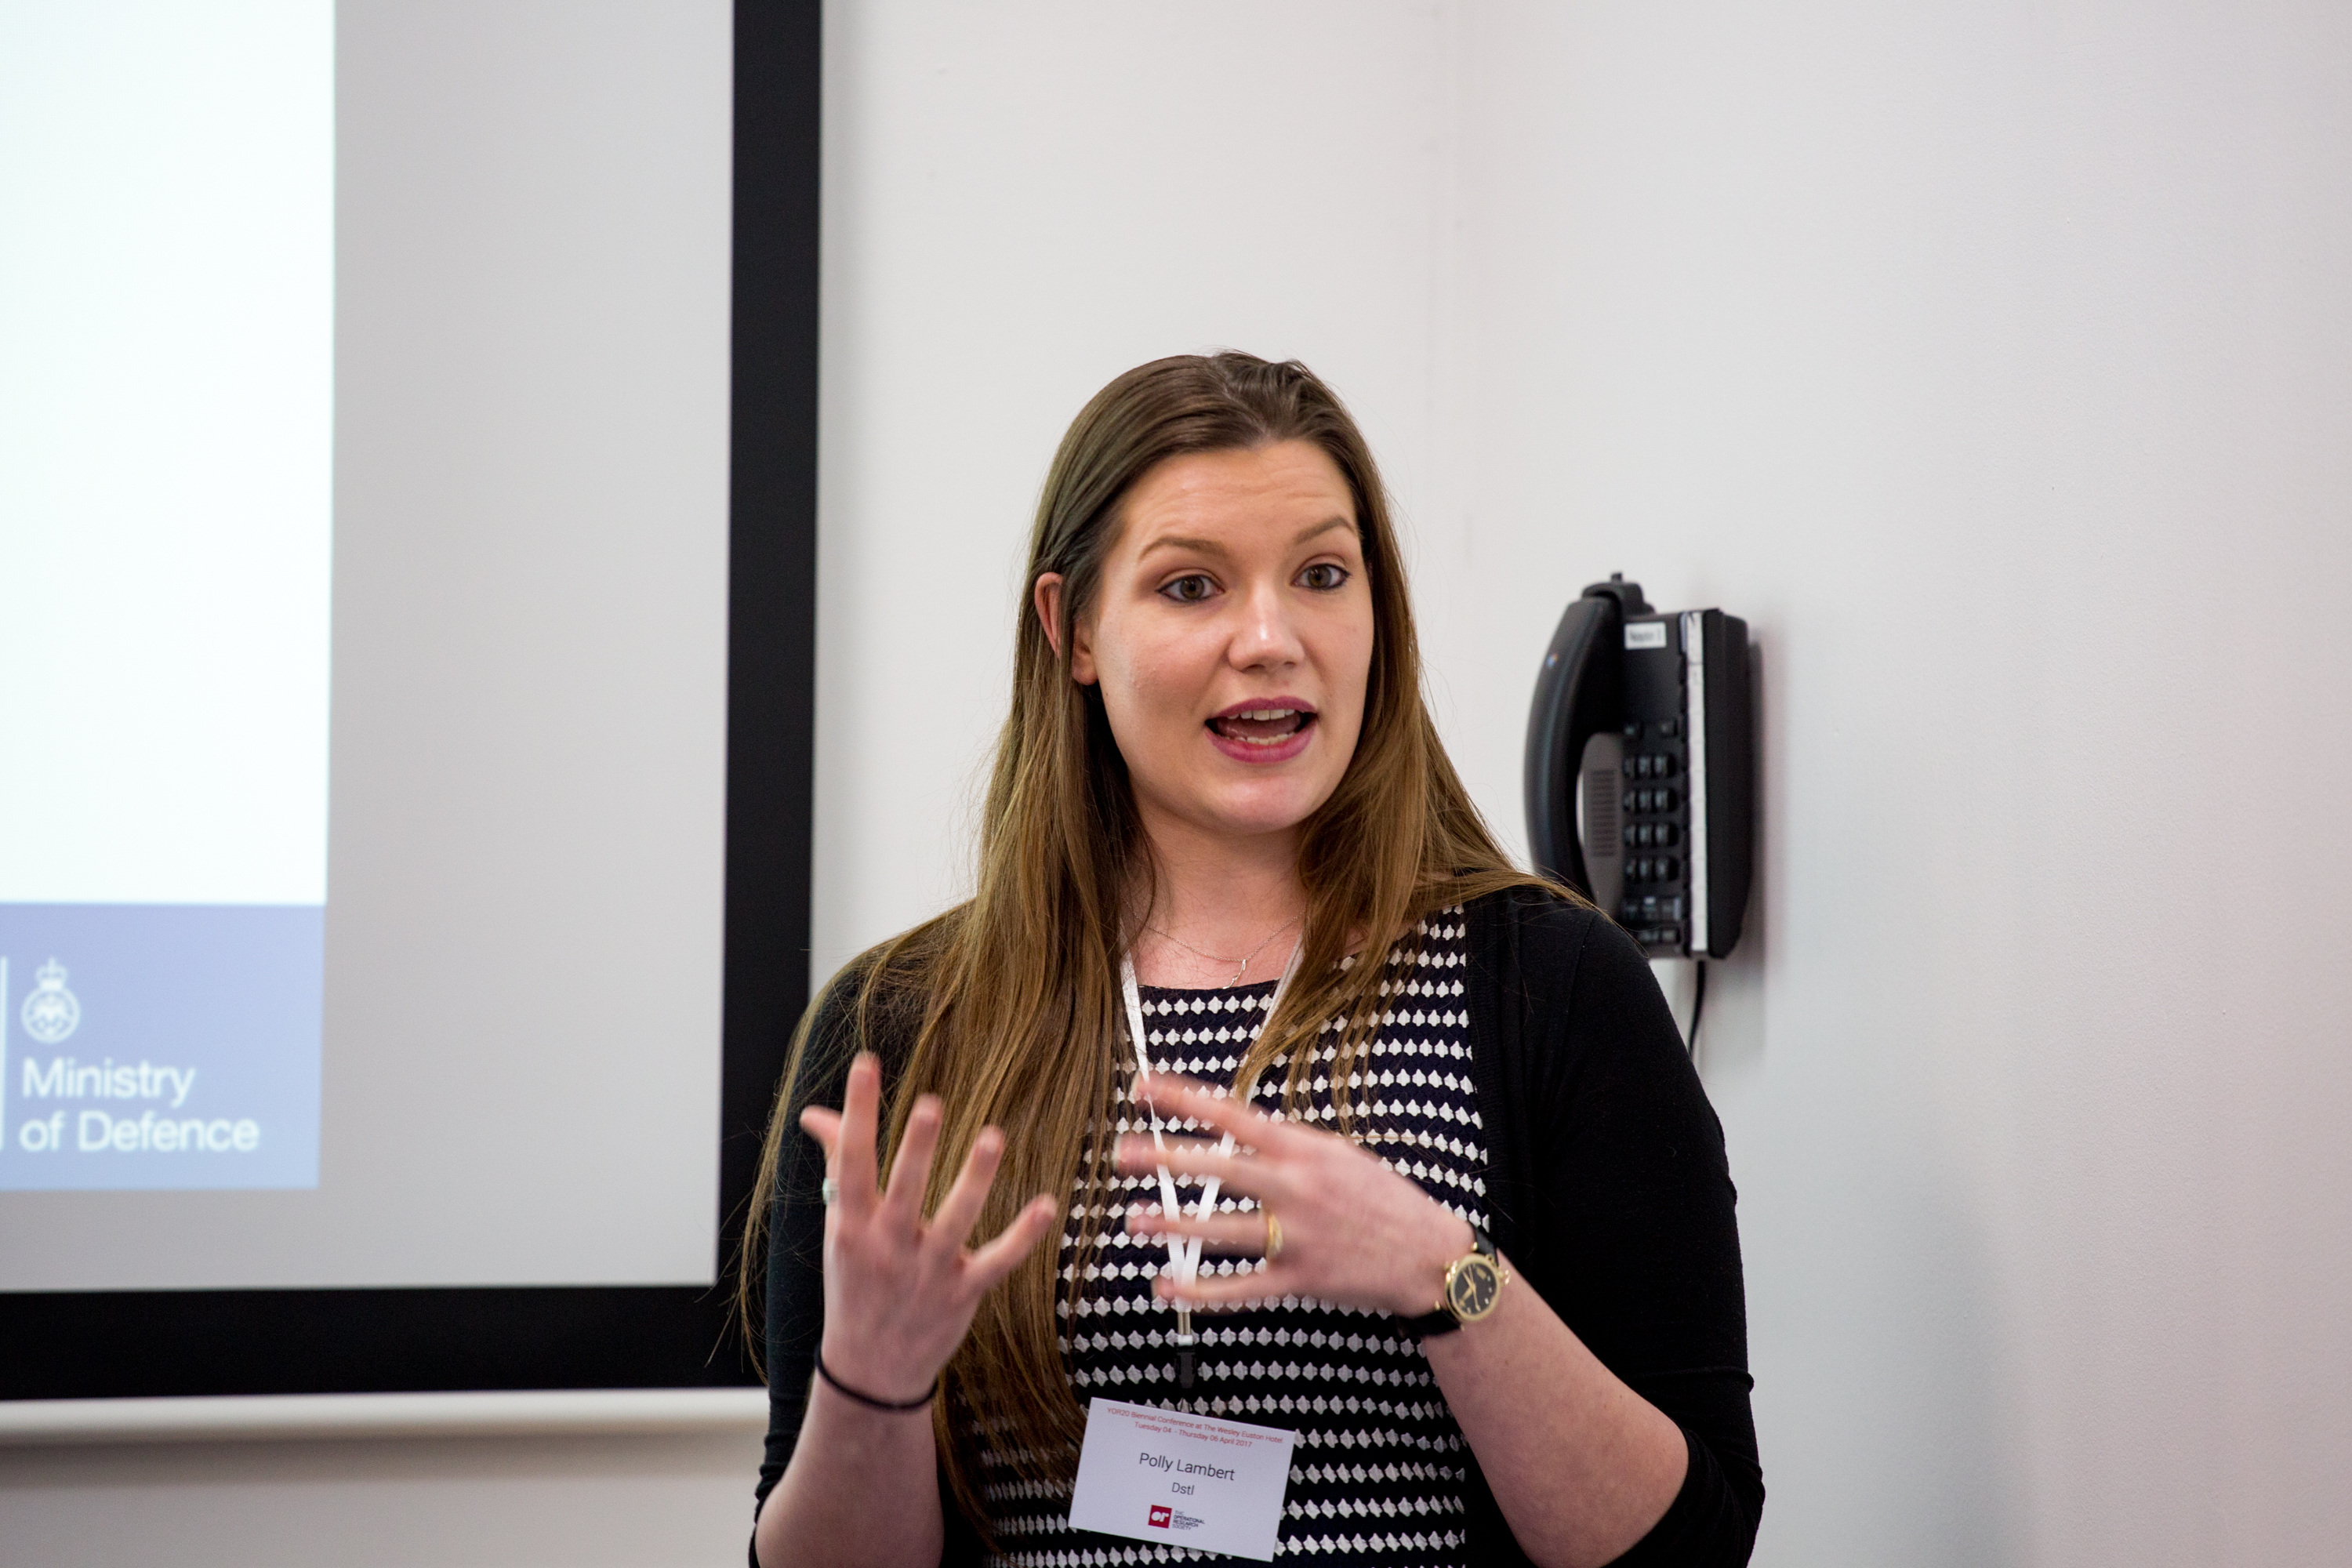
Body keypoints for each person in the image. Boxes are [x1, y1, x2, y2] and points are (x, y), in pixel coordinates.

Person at [742, 353, 1761, 1568]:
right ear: (1072, 631)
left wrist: (1449, 1275)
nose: (1271, 638)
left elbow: (1688, 1548)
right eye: (1191, 588)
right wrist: (874, 1383)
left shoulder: (1556, 985)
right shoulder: (904, 1026)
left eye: (1323, 575)